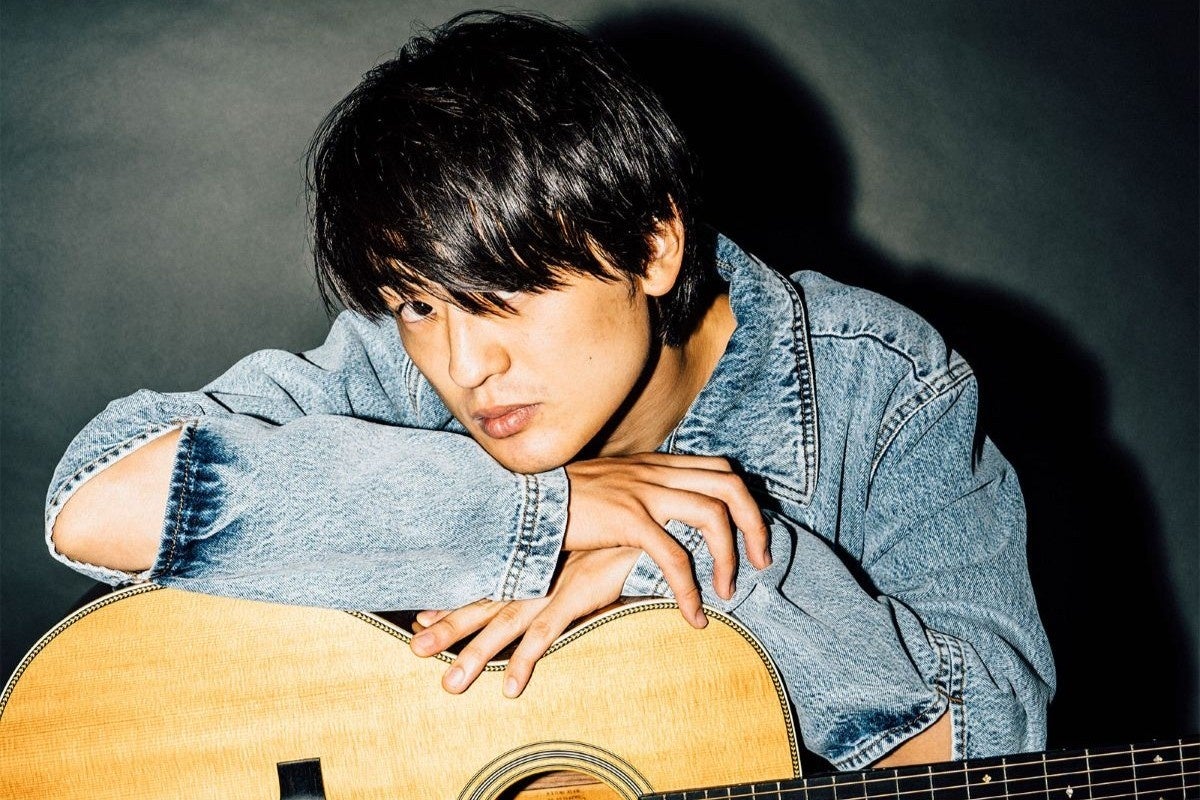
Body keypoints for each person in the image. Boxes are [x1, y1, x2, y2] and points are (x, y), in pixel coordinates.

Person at [45, 9, 1054, 772]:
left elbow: (992, 751)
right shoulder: (400, 364)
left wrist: (682, 556)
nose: (463, 364)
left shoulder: (882, 385)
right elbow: (98, 500)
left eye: (506, 294)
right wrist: (552, 510)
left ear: (653, 248)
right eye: (416, 303)